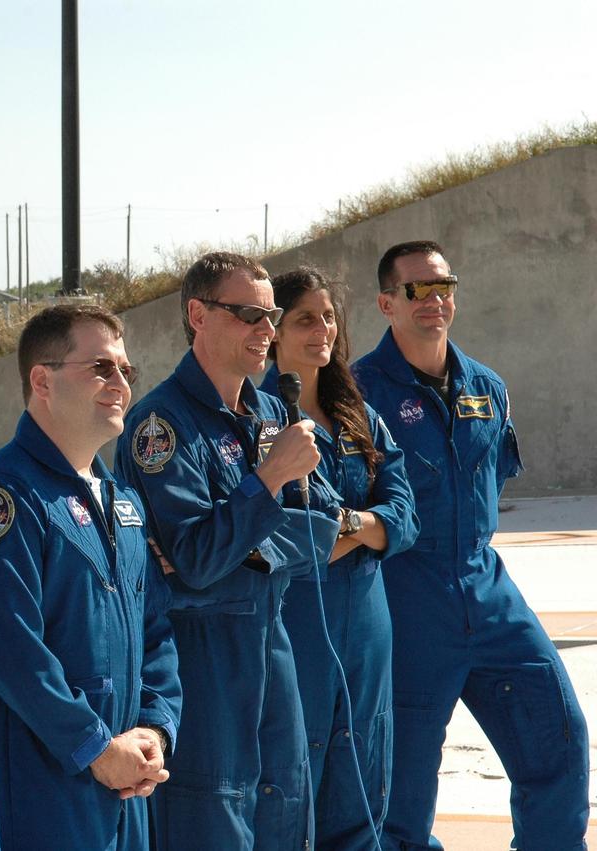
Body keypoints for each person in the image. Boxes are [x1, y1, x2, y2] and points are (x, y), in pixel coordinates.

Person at [354, 241, 589, 850]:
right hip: (405, 600)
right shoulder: (356, 396)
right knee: (399, 795)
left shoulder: (487, 385)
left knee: (560, 743)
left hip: (488, 593)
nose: (434, 300)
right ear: (387, 302)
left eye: (444, 285)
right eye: (417, 289)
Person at [115, 251, 341, 850]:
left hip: (272, 633)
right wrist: (267, 486)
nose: (267, 331)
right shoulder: (160, 426)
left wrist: (242, 538)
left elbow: (324, 526)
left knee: (286, 805)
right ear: (199, 314)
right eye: (249, 315)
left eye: (271, 316)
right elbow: (194, 562)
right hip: (203, 650)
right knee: (213, 811)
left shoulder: (272, 411)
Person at [0, 305, 183, 851]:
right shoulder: (8, 495)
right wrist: (93, 747)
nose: (120, 384)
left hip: (125, 787)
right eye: (100, 368)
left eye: (125, 371)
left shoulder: (124, 504)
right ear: (41, 380)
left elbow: (156, 632)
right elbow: (8, 645)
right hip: (43, 786)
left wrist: (155, 731)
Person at [260, 267, 418, 848]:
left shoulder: (358, 417)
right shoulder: (256, 421)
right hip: (295, 621)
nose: (323, 329)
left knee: (363, 767)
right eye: (305, 318)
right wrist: (360, 528)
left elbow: (405, 512)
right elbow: (278, 533)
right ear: (272, 331)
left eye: (329, 317)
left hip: (367, 624)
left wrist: (348, 525)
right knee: (290, 778)